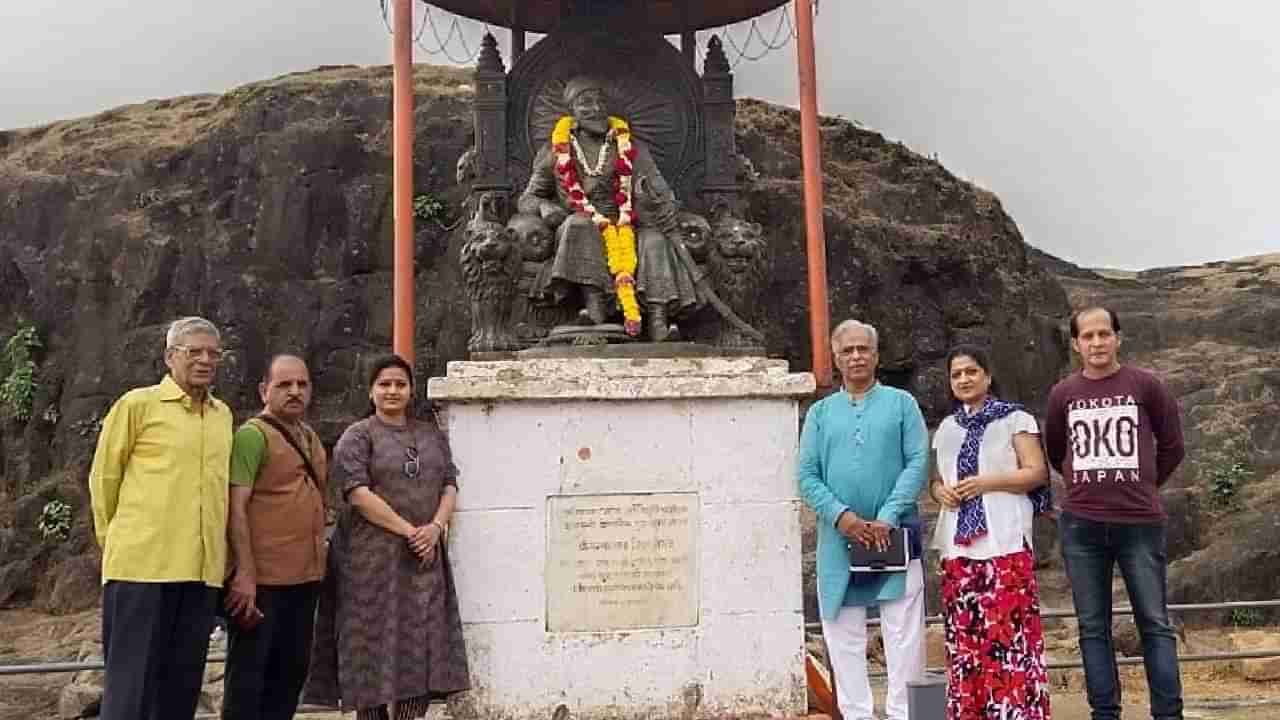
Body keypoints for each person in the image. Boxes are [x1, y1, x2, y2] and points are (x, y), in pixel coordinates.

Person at [305, 354, 469, 720]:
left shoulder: (430, 434)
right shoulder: (358, 436)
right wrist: (410, 530)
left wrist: (435, 528)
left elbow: (450, 484)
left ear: (411, 390)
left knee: (420, 651)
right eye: (384, 384)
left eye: (400, 384)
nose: (392, 390)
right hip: (369, 567)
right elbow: (357, 493)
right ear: (371, 390)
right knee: (371, 652)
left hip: (422, 563)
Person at [1044, 307, 1186, 720]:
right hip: (1082, 526)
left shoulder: (1147, 385)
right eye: (1087, 336)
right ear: (1075, 344)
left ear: (1118, 338)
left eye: (1104, 334)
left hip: (1140, 524)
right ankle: (1104, 714)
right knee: (1092, 629)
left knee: (1155, 624)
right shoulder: (1062, 394)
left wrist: (1143, 486)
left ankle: (1167, 714)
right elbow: (1056, 451)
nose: (1096, 343)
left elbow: (1173, 446)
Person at [88, 316, 234, 720]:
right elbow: (104, 479)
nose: (205, 360)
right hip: (141, 570)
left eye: (213, 353)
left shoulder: (222, 416)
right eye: (195, 352)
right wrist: (116, 543)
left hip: (201, 574)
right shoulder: (138, 405)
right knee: (129, 692)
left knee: (179, 692)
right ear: (171, 357)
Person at [798, 319, 929, 720]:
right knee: (842, 633)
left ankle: (904, 713)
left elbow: (918, 462)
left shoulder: (902, 404)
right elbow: (806, 475)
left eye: (863, 349)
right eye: (847, 351)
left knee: (904, 632)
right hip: (839, 538)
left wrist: (887, 516)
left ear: (876, 354)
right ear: (836, 359)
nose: (856, 356)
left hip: (894, 533)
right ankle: (856, 713)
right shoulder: (820, 413)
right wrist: (843, 518)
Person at [516, 75, 699, 340]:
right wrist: (544, 206)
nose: (596, 108)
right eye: (585, 103)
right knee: (581, 224)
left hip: (628, 224)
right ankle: (594, 308)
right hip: (582, 221)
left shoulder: (630, 146)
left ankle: (658, 322)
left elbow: (661, 189)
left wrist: (656, 201)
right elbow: (526, 199)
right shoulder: (556, 150)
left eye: (600, 102)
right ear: (572, 112)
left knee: (654, 241)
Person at [929, 344, 1052, 719]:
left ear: (987, 375)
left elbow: (1036, 472)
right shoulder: (947, 428)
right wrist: (940, 492)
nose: (964, 379)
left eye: (971, 372)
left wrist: (987, 482)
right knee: (966, 640)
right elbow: (937, 480)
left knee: (1009, 637)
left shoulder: (1016, 419)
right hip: (958, 549)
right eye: (956, 375)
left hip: (1004, 543)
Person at [221, 354, 328, 720]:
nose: (295, 391)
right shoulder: (252, 436)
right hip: (263, 585)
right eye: (284, 385)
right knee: (248, 686)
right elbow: (236, 508)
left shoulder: (310, 437)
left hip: (305, 579)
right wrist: (244, 575)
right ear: (264, 390)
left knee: (288, 680)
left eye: (302, 384)